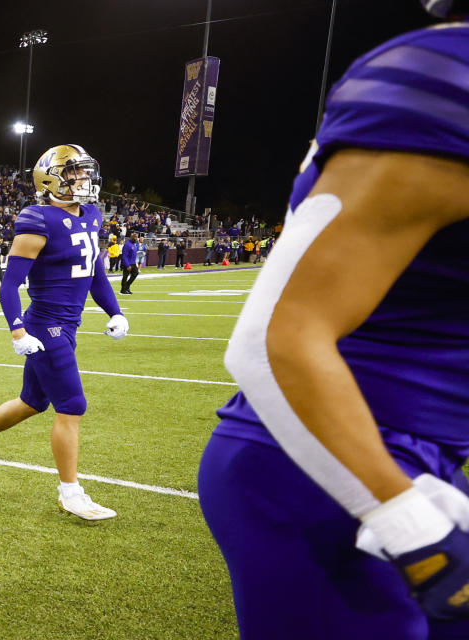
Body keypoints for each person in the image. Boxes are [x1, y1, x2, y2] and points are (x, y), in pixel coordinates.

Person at [198, 8, 469, 638]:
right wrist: (410, 526)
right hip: (329, 468)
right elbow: (273, 339)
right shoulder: (447, 78)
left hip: (420, 457)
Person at [0, 144, 129, 520]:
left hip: (69, 325)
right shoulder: (38, 219)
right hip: (44, 326)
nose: (83, 179)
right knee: (72, 406)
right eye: (73, 173)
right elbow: (11, 283)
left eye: (84, 172)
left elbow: (94, 273)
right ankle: (70, 493)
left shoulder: (92, 214)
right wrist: (17, 331)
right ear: (51, 179)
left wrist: (114, 310)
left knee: (33, 402)